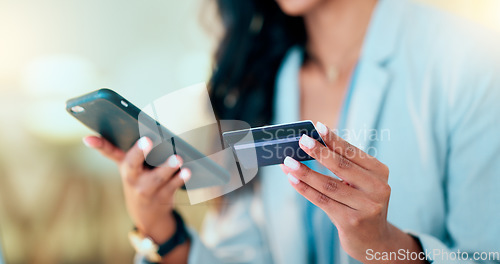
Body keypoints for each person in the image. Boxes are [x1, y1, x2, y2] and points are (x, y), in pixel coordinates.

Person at [83, 0, 500, 263]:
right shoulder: (261, 76)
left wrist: (387, 247)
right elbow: (240, 255)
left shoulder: (469, 62)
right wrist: (158, 226)